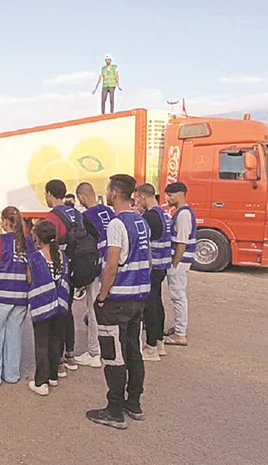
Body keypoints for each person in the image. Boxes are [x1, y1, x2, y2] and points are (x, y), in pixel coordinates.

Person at [87, 174, 150, 430]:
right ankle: (133, 402)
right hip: (139, 298)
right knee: (134, 350)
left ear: (114, 192)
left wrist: (101, 297)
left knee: (113, 353)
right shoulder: (140, 222)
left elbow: (111, 265)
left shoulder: (116, 224)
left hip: (118, 299)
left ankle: (114, 409)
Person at [0, 206, 33, 385]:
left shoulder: (0, 241)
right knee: (14, 335)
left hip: (0, 294)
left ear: (5, 222)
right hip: (21, 296)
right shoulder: (28, 242)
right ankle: (11, 373)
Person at [44, 180, 84, 374]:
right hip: (75, 269)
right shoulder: (77, 214)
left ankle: (58, 361)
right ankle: (70, 354)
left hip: (58, 272)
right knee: (68, 311)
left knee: (57, 313)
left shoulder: (52, 217)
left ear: (50, 193)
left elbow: (47, 246)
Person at [73, 182, 115, 368]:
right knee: (111, 309)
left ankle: (94, 352)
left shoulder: (85, 217)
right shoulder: (109, 211)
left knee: (93, 309)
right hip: (113, 265)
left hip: (97, 268)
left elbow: (84, 247)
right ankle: (111, 349)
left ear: (81, 197)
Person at [27, 220, 70, 396]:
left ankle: (41, 382)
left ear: (38, 236)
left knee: (41, 344)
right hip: (61, 304)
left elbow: (29, 279)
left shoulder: (35, 257)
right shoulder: (62, 255)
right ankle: (53, 376)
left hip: (42, 305)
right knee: (55, 340)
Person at [136, 183, 172, 360]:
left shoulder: (149, 216)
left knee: (150, 306)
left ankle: (150, 348)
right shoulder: (164, 214)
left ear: (143, 196)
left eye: (138, 198)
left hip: (152, 266)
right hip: (163, 265)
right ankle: (159, 342)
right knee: (157, 303)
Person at [164, 182, 196, 347]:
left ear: (181, 194)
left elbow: (181, 242)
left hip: (179, 261)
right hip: (181, 261)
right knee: (178, 295)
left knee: (178, 296)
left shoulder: (183, 215)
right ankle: (178, 327)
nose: (168, 198)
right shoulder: (182, 212)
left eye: (171, 194)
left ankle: (180, 334)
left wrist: (174, 263)